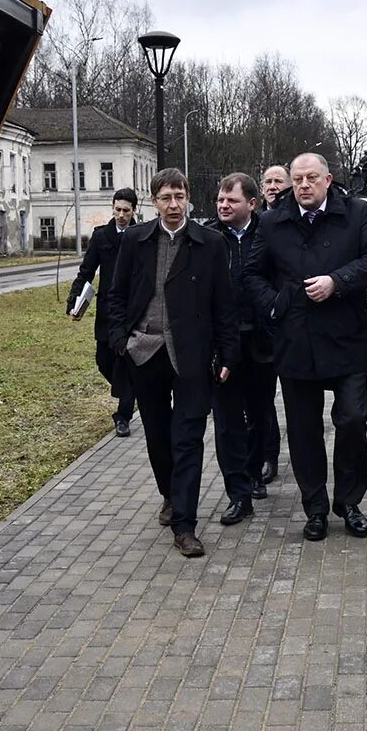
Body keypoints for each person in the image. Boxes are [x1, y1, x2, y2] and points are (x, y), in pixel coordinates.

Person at [244, 152, 367, 541]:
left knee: (353, 419)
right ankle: (316, 508)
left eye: (311, 178)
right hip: (295, 338)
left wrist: (337, 282)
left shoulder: (355, 213)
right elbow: (252, 273)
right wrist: (276, 305)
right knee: (304, 430)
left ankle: (349, 501)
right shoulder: (274, 221)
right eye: (297, 179)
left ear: (328, 180)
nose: (303, 185)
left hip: (346, 336)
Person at [108, 168, 240, 558]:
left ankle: (185, 524)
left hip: (192, 356)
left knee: (188, 439)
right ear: (153, 201)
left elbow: (224, 305)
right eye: (165, 197)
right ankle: (170, 493)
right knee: (157, 436)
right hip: (144, 352)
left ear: (189, 198)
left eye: (179, 196)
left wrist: (228, 352)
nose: (173, 204)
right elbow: (115, 295)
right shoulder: (135, 240)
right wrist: (120, 341)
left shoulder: (210, 243)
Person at [205, 172, 275, 522]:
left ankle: (254, 469)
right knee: (226, 419)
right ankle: (238, 492)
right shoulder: (206, 238)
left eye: (231, 201)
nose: (223, 206)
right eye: (220, 200)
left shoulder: (270, 234)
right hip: (222, 342)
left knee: (260, 412)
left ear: (251, 203)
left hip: (261, 340)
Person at [67, 188, 137, 437]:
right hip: (107, 310)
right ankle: (131, 390)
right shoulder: (101, 237)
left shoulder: (141, 236)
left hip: (132, 311)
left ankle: (123, 416)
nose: (120, 215)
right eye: (117, 210)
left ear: (133, 211)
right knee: (103, 361)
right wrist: (74, 303)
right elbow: (85, 272)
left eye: (125, 211)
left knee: (124, 362)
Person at [257, 164, 289, 484]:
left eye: (279, 180)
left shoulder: (296, 219)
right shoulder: (254, 222)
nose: (273, 186)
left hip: (292, 320)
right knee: (261, 398)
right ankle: (268, 456)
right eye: (267, 181)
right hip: (260, 324)